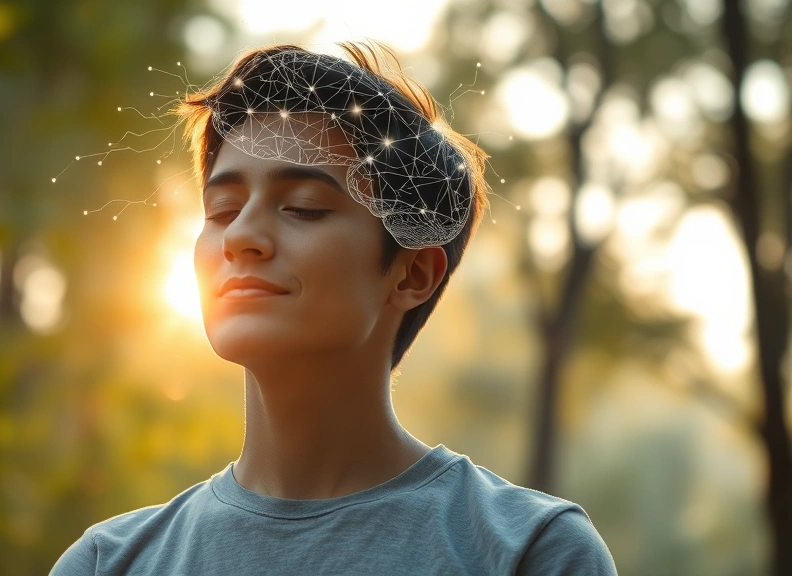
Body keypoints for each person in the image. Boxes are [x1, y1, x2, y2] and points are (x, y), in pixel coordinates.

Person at [50, 40, 617, 575]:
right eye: (222, 210)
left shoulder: (528, 552)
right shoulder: (108, 562)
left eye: (302, 207)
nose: (240, 236)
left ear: (412, 274)